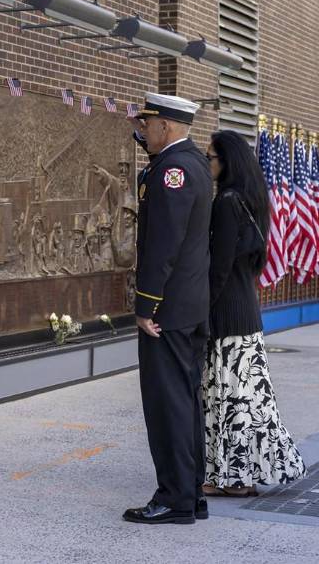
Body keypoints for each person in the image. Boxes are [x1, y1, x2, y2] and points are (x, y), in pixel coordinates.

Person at [122, 93, 212, 525]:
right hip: (188, 306)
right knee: (186, 400)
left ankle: (175, 498)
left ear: (168, 127)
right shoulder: (190, 164)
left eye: (149, 124)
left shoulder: (174, 171)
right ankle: (190, 493)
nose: (143, 130)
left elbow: (163, 245)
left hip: (167, 310)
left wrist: (146, 304)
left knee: (168, 403)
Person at [203, 130, 306, 497]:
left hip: (228, 314)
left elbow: (219, 267)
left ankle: (232, 479)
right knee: (247, 401)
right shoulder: (251, 200)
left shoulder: (227, 202)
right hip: (246, 313)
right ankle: (237, 477)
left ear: (227, 161)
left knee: (229, 400)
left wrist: (203, 310)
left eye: (211, 156)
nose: (208, 162)